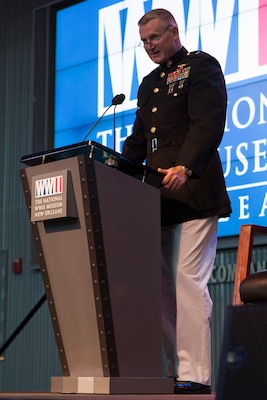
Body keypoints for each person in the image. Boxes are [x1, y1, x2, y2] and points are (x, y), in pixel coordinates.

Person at [122, 8, 232, 395]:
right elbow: (138, 141)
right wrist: (110, 168)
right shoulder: (149, 83)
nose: (149, 46)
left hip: (195, 191)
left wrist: (186, 165)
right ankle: (175, 368)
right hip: (158, 200)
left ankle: (196, 373)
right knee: (159, 287)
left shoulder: (200, 66)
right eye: (144, 41)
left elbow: (209, 121)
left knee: (189, 281)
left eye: (154, 37)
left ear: (173, 31)